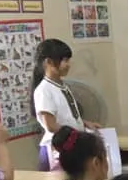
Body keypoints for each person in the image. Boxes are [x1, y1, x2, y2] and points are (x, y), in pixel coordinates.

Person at [32, 38, 99, 171]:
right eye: (64, 60)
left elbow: (65, 115)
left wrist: (83, 123)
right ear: (48, 62)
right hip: (56, 149)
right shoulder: (44, 90)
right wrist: (78, 135)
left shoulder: (62, 86)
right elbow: (50, 125)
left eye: (68, 60)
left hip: (70, 146)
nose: (68, 64)